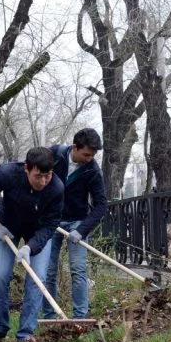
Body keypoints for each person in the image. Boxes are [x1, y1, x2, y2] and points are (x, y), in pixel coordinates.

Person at [0, 147, 63, 342]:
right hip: (8, 227)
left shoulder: (57, 188)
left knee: (37, 279)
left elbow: (51, 224)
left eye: (47, 175)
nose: (43, 181)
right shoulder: (7, 174)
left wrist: (30, 247)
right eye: (38, 176)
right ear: (27, 169)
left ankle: (25, 333)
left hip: (39, 231)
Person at [42, 128, 107, 320]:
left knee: (78, 270)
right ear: (74, 147)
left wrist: (82, 230)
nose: (89, 158)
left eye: (93, 155)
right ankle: (50, 316)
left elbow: (101, 204)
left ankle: (81, 317)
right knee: (48, 271)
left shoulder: (93, 170)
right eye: (86, 154)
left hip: (77, 222)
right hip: (51, 220)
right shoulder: (54, 155)